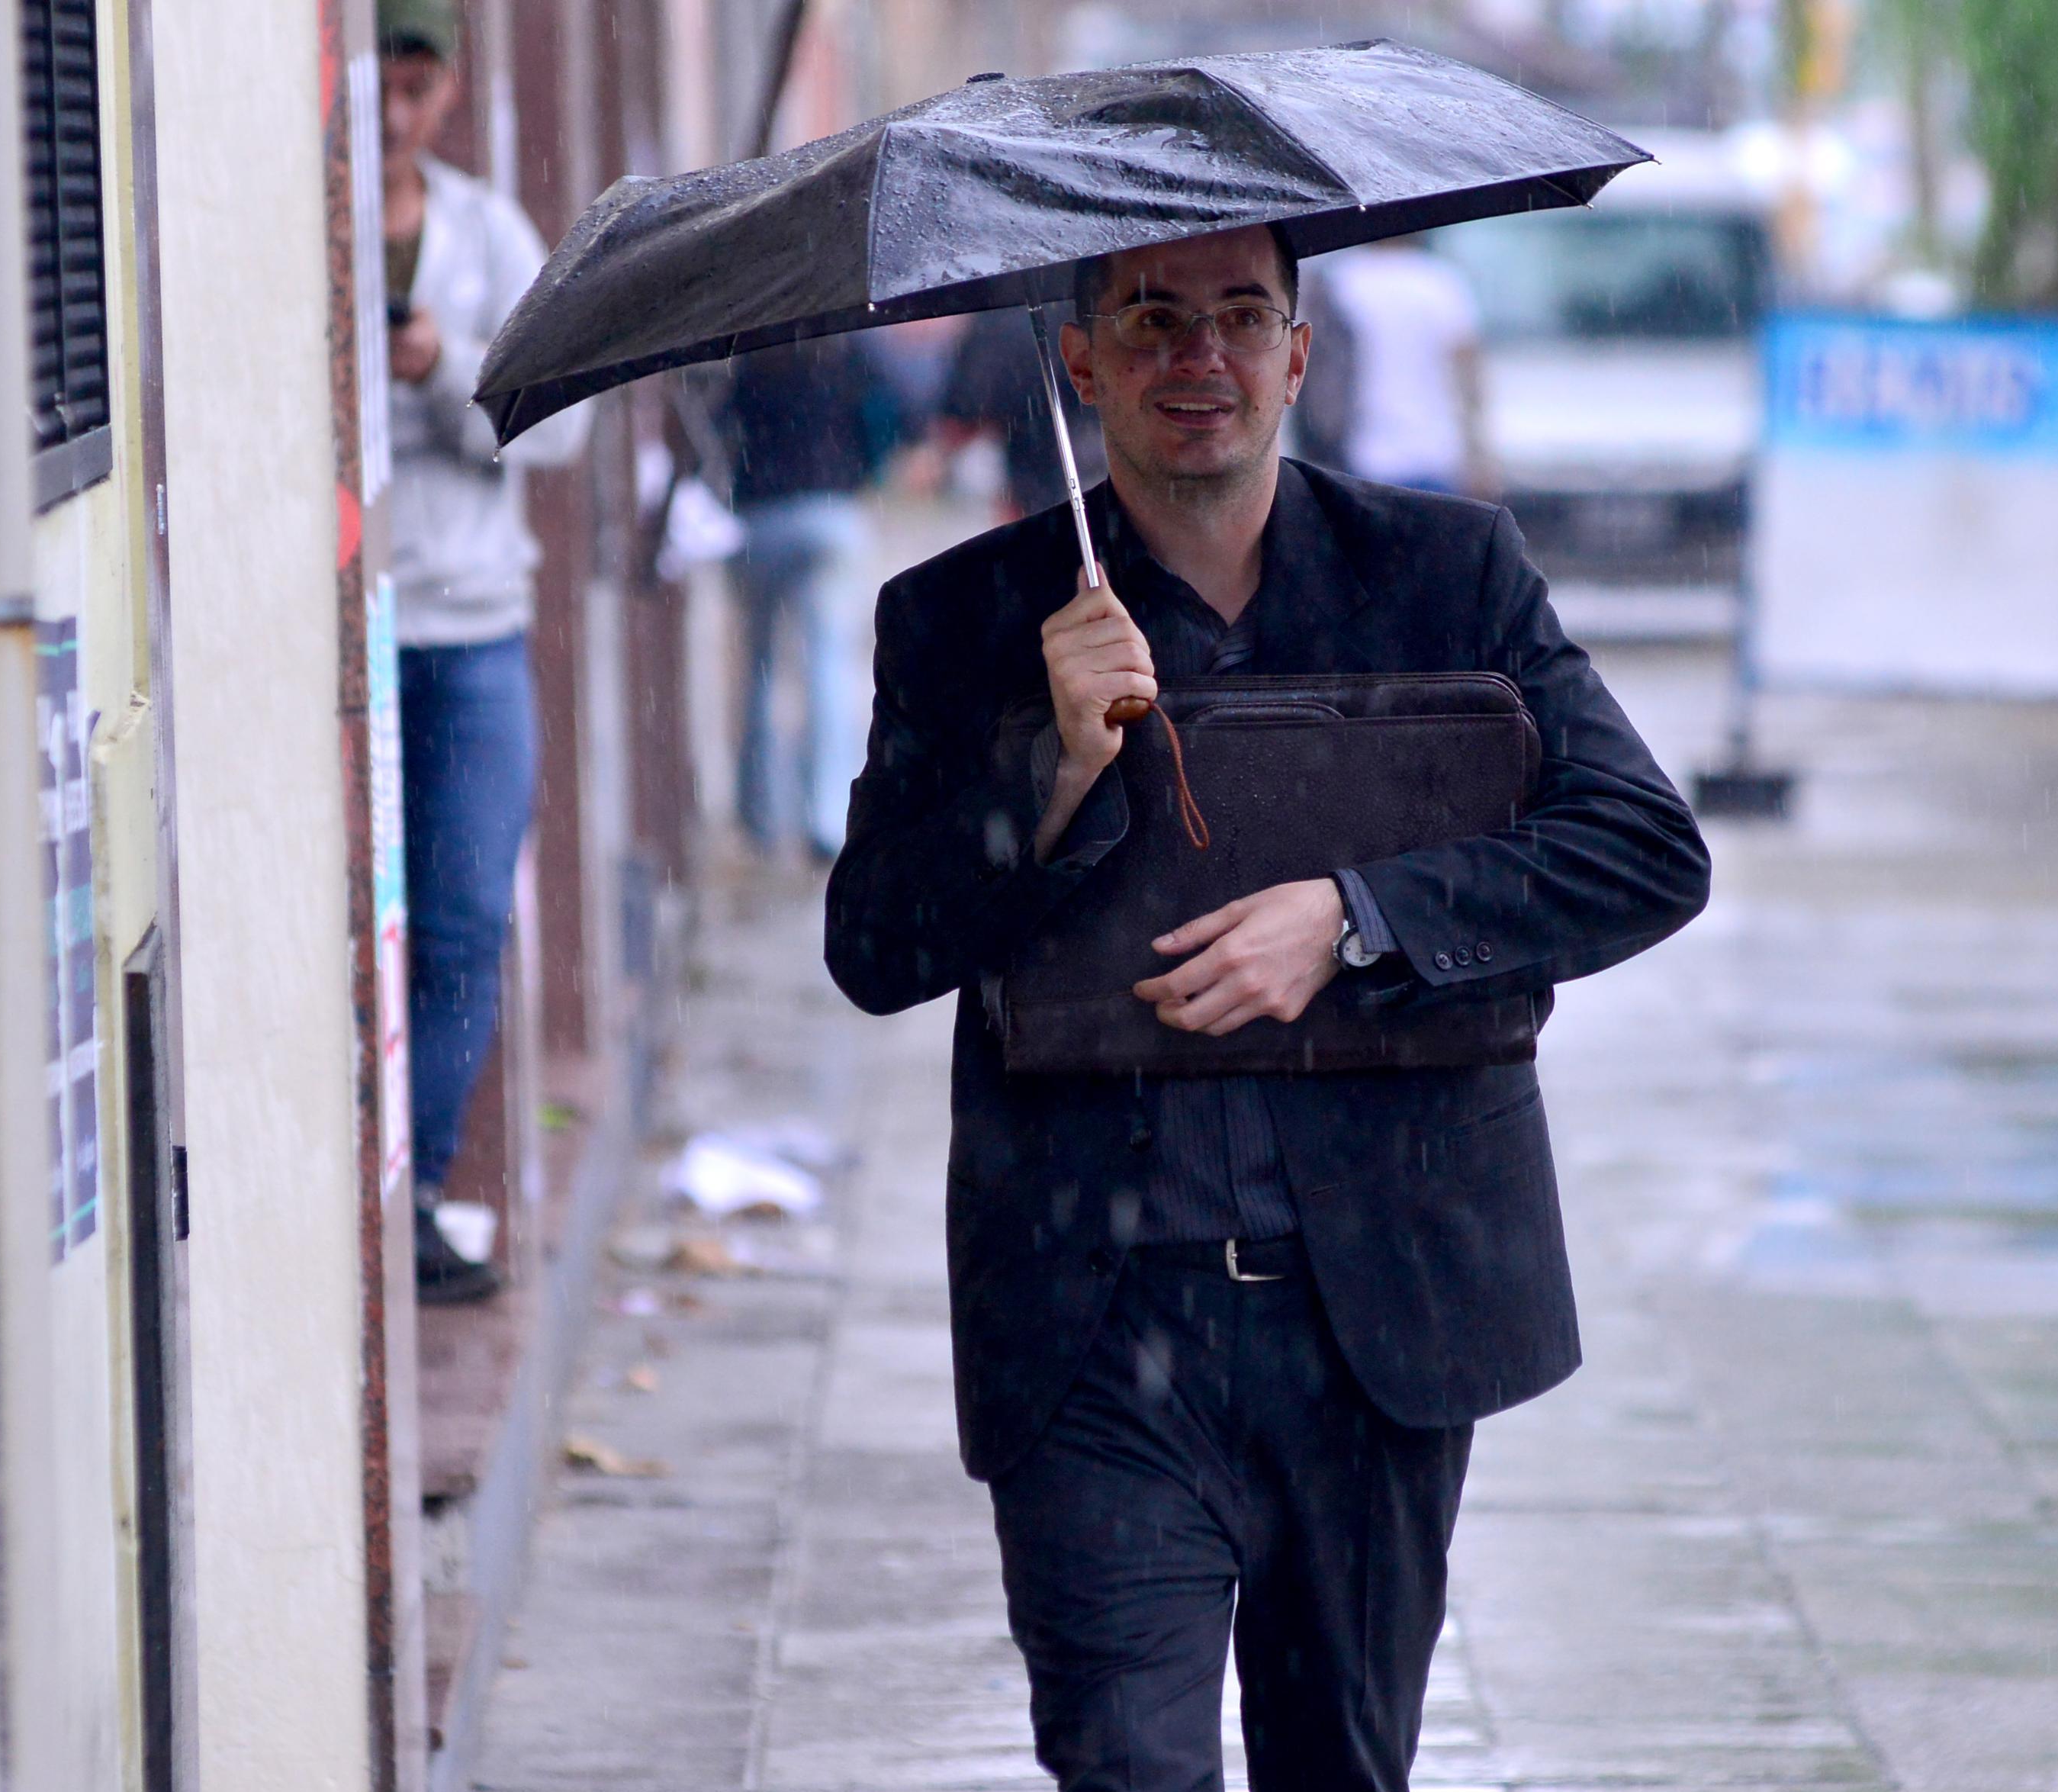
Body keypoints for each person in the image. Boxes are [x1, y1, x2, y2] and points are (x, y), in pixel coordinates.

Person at [825, 225, 1709, 1789]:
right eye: (1152, 320)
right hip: (1094, 1324)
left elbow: (1642, 849)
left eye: (1242, 317)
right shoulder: (966, 620)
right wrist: (1054, 764)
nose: (1200, 358)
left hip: (1371, 1319)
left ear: (1299, 354)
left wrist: (1357, 918)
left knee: (1339, 1765)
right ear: (1079, 360)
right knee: (1124, 1763)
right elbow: (876, 942)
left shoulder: (1448, 578)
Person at [377, 0, 587, 1304]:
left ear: (447, 92)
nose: (397, 115)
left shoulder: (481, 232)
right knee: (358, 925)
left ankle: (425, 1187)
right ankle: (362, 1182)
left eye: (418, 87)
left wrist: (443, 367)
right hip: (348, 634)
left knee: (460, 919)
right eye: (377, 87)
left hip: (471, 630)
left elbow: (555, 431)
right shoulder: (311, 219)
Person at [722, 333, 906, 865]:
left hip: (761, 517)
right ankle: (827, 816)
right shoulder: (848, 347)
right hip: (832, 511)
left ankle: (759, 814)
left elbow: (721, 429)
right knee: (827, 664)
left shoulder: (753, 348)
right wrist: (867, 465)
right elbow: (893, 417)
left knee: (759, 666)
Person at [1308, 233, 1494, 496]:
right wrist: (1478, 452)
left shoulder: (1340, 280)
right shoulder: (1439, 282)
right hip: (1433, 454)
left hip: (1357, 455)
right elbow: (1467, 375)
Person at [934, 304, 1107, 522]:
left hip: (1036, 483)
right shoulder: (1083, 301)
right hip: (1090, 461)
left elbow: (963, 414)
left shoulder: (994, 323)